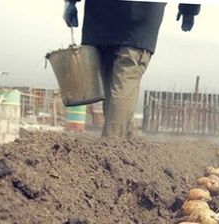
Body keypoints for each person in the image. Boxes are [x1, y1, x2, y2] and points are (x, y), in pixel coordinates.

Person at [63, 0, 201, 138]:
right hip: (137, 22)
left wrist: (70, 3)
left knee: (112, 91)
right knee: (122, 86)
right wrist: (189, 10)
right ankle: (111, 148)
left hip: (101, 18)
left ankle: (120, 148)